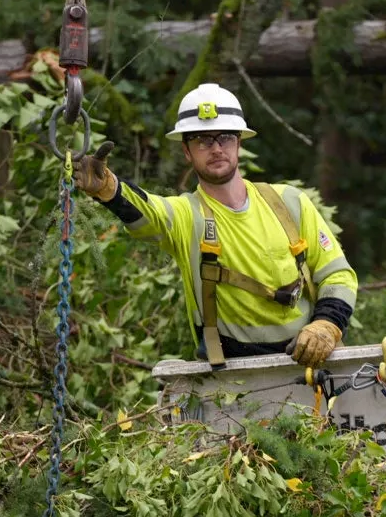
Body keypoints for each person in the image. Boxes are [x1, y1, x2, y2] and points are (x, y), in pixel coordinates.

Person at [71, 82, 359, 369]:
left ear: (239, 142)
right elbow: (148, 211)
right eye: (203, 140)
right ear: (187, 151)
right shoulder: (186, 216)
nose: (216, 148)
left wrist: (326, 325)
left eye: (224, 137)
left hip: (309, 364)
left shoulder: (290, 203)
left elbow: (338, 275)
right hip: (233, 378)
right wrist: (109, 189)